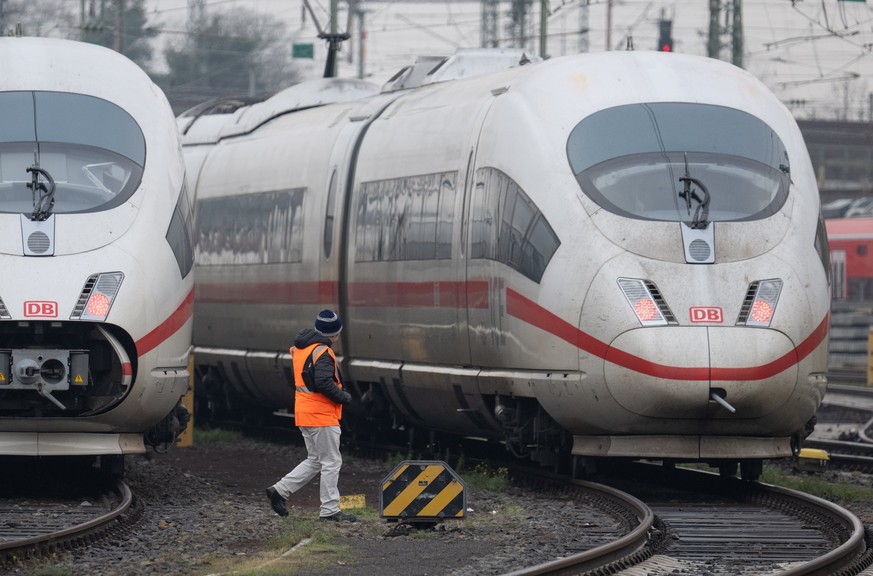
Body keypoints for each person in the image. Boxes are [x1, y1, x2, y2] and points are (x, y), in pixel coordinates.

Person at [266, 309, 356, 522]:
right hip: (321, 414)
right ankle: (330, 510)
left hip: (306, 412)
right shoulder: (322, 352)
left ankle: (279, 491)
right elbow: (324, 382)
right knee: (331, 462)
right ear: (334, 333)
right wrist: (343, 396)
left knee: (316, 460)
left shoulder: (302, 348)